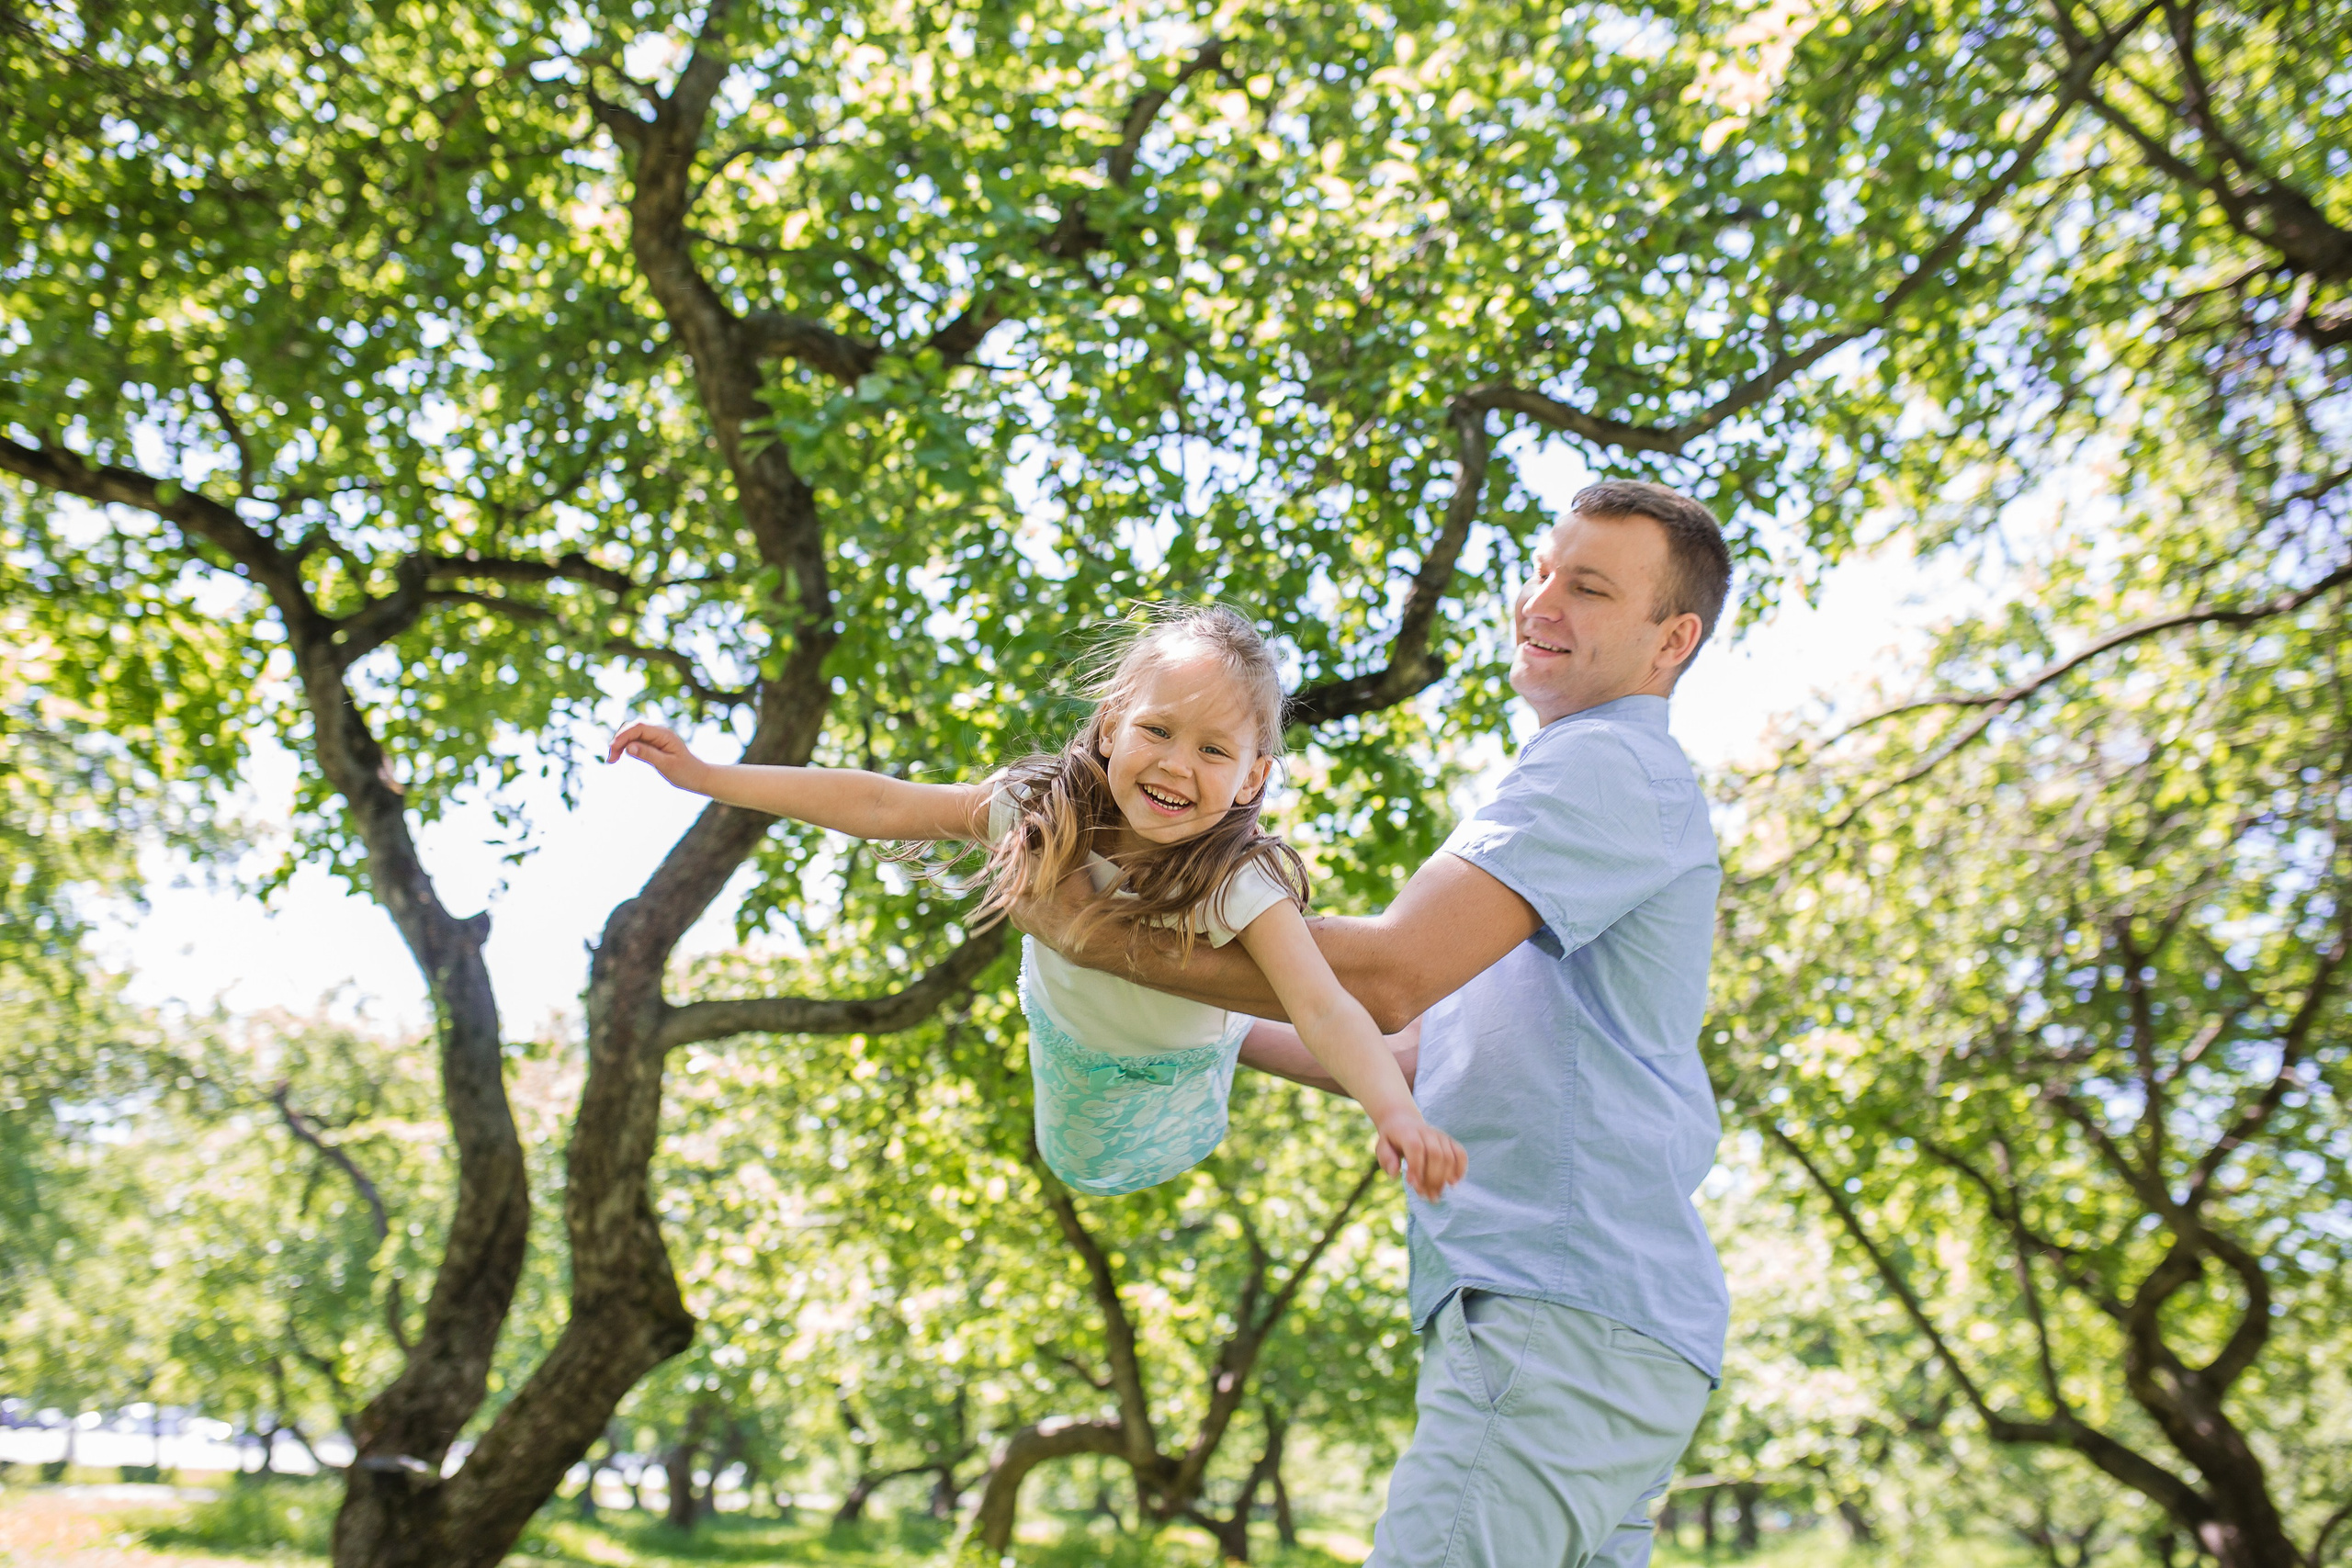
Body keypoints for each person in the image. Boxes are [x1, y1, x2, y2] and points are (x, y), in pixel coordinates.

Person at [1016, 480, 1734, 1568]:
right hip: (1605, 1323)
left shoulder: (1606, 762)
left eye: (1587, 588)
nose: (1540, 601)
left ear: (1671, 640)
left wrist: (1100, 929)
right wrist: (1159, 1017)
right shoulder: (1592, 780)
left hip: (1558, 1309)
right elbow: (1407, 1048)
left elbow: (1391, 973)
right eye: (1542, 570)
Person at [605, 604, 1465, 1202]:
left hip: (1177, 1069)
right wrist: (709, 775)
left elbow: (1322, 1003)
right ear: (1110, 726)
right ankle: (1337, 1049)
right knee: (1142, 1089)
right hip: (1074, 1042)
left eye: (1214, 750)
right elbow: (880, 801)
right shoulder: (1036, 809)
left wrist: (1393, 1114)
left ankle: (1402, 1060)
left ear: (1252, 778)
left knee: (1243, 1019)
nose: (1177, 763)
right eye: (1158, 729)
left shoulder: (1240, 881)